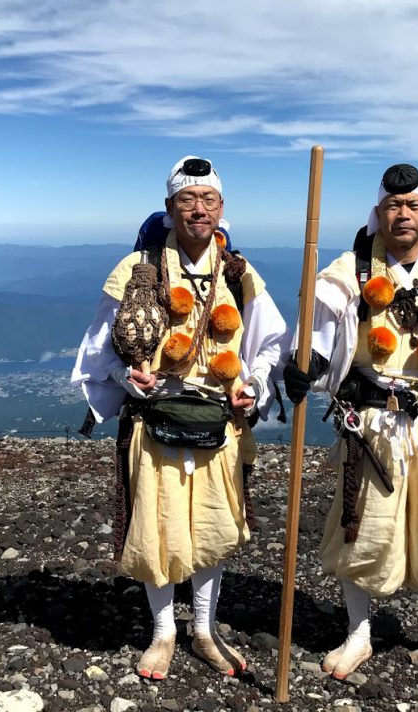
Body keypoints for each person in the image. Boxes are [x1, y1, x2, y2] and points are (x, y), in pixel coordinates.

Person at [71, 155, 289, 680]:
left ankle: (205, 629)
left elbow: (270, 342)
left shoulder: (238, 272)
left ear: (222, 208)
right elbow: (100, 348)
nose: (199, 209)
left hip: (219, 419)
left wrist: (253, 385)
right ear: (169, 208)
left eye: (208, 199)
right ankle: (164, 632)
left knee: (212, 528)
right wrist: (129, 380)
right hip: (154, 417)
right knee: (158, 528)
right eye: (187, 199)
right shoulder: (136, 270)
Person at [283, 163, 418, 678]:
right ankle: (357, 632)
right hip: (370, 421)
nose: (402, 215)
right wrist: (308, 367)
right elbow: (318, 335)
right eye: (393, 206)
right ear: (378, 213)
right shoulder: (349, 273)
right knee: (362, 527)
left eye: (413, 206)